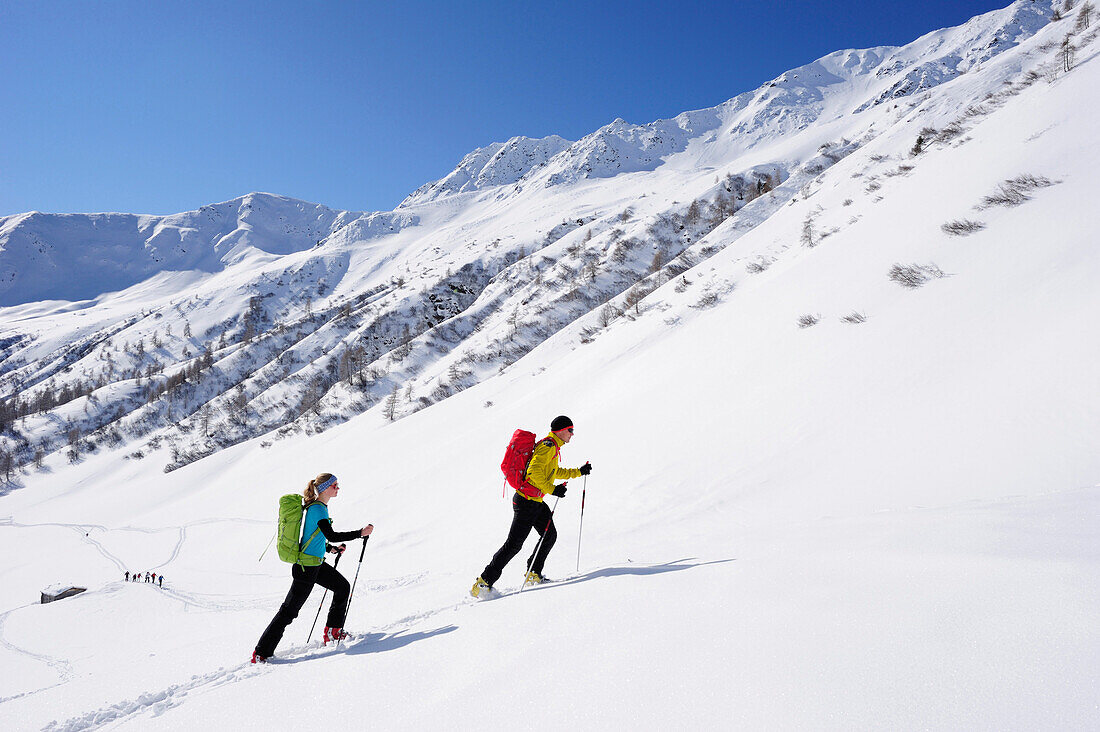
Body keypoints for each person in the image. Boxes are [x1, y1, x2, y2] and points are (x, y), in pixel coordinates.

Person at [253, 473, 373, 663]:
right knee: (288, 612)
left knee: (342, 587)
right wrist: (360, 533)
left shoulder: (319, 508)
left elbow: (314, 536)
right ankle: (262, 652)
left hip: (315, 564)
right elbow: (331, 534)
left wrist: (330, 549)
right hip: (305, 569)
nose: (338, 488)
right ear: (325, 488)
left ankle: (333, 631)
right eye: (335, 485)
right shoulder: (318, 509)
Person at [471, 416, 591, 597]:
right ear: (560, 430)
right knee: (514, 545)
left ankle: (533, 573)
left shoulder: (553, 447)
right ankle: (483, 582)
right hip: (526, 502)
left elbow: (552, 471)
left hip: (535, 502)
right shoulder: (548, 447)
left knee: (549, 535)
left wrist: (578, 472)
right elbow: (533, 472)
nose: (572, 434)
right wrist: (552, 489)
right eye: (570, 430)